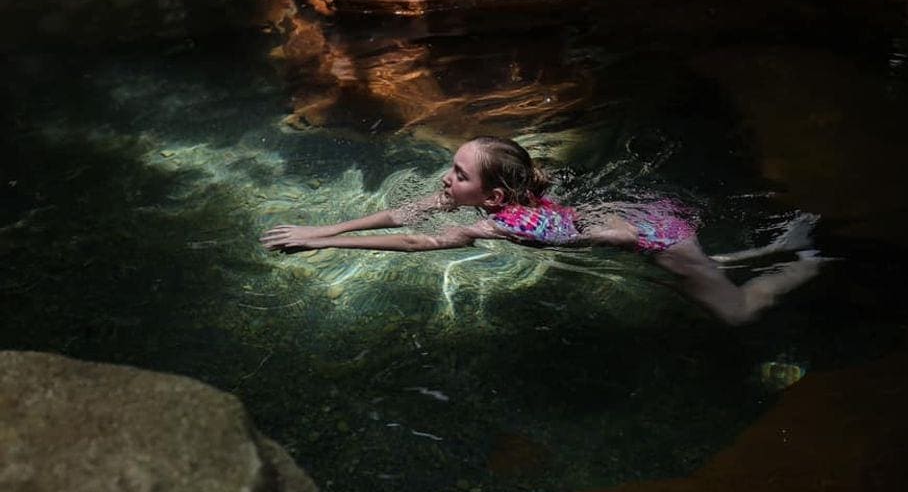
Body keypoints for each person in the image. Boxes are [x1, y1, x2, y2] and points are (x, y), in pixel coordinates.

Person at [260, 136, 824, 325]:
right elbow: (403, 216)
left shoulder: (499, 225)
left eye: (458, 174)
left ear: (494, 196)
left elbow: (414, 242)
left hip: (659, 234)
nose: (446, 179)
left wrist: (322, 243)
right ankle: (774, 246)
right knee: (701, 273)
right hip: (640, 220)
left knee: (735, 312)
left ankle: (810, 261)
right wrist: (324, 223)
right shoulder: (495, 197)